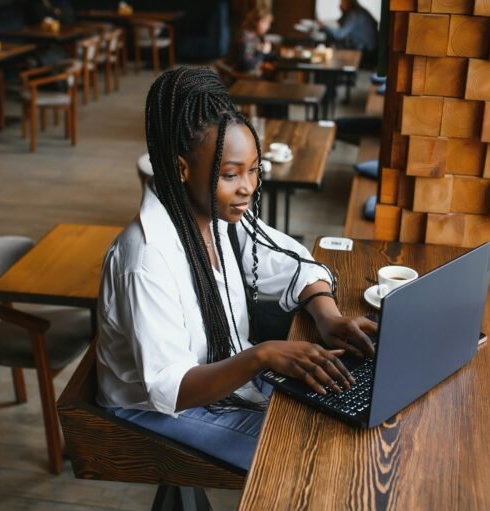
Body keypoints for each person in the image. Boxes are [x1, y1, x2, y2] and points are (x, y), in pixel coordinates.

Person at [96, 68, 377, 471]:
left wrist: (328, 316)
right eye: (230, 175)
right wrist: (260, 357)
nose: (248, 187)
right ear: (181, 169)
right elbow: (171, 388)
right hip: (157, 410)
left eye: (254, 170)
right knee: (312, 455)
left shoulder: (222, 218)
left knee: (341, 414)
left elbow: (292, 261)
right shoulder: (146, 260)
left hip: (227, 374)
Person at [319, 0, 378, 66]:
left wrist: (324, 27)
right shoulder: (356, 12)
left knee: (331, 57)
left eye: (342, 2)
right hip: (366, 51)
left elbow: (340, 35)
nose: (340, 5)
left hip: (367, 54)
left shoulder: (355, 14)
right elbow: (339, 23)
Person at [225, 8, 277, 77]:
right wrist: (262, 52)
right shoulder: (246, 38)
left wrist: (275, 55)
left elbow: (255, 57)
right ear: (256, 22)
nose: (268, 27)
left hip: (249, 76)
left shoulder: (254, 36)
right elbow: (247, 65)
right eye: (266, 23)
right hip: (242, 79)